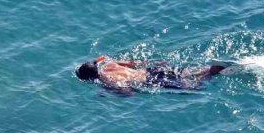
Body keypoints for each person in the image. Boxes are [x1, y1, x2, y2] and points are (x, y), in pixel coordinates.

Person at [75, 55, 228, 92]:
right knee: (184, 73)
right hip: (150, 70)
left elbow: (128, 92)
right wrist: (157, 63)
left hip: (150, 80)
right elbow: (136, 63)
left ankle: (212, 71)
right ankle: (208, 68)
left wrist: (110, 92)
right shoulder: (110, 64)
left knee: (192, 86)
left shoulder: (107, 82)